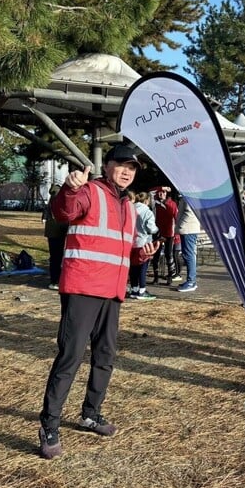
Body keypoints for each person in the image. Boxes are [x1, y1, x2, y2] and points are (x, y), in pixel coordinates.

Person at [38, 146, 158, 459]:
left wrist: (140, 255)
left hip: (112, 292)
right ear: (107, 166)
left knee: (105, 356)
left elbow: (121, 250)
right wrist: (70, 188)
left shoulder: (129, 206)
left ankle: (90, 413)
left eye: (132, 168)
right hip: (83, 289)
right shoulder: (89, 192)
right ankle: (49, 424)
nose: (127, 172)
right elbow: (64, 212)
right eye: (122, 165)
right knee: (71, 356)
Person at [129, 192, 159, 300]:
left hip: (131, 243)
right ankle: (142, 290)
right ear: (146, 201)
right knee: (143, 267)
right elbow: (151, 228)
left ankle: (134, 289)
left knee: (133, 267)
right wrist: (157, 229)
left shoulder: (130, 209)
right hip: (143, 243)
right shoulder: (147, 212)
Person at [150, 186, 180, 285]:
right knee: (156, 255)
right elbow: (150, 192)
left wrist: (176, 234)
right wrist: (162, 187)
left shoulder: (172, 204)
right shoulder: (155, 203)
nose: (161, 194)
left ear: (166, 193)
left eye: (163, 192)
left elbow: (177, 218)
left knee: (168, 254)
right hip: (158, 232)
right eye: (159, 192)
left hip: (169, 233)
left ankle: (170, 277)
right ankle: (156, 278)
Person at [42, 184, 68, 290]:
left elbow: (46, 212)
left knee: (54, 257)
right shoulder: (62, 198)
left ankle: (54, 281)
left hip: (52, 232)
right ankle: (58, 280)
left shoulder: (51, 200)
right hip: (61, 230)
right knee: (60, 257)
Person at [175, 196, 201, 292]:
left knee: (189, 255)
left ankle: (191, 281)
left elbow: (188, 212)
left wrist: (180, 225)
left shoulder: (190, 197)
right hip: (188, 229)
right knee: (188, 255)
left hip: (188, 229)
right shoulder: (190, 197)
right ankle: (191, 281)